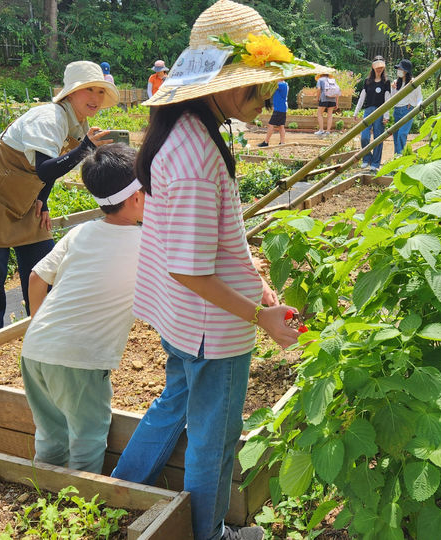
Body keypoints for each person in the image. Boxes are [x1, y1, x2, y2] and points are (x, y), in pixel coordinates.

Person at [108, 1, 332, 539]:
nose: (267, 98)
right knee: (214, 436)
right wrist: (262, 316)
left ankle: (119, 490)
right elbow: (191, 269)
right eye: (262, 87)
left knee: (174, 402)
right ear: (228, 86)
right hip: (214, 327)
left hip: (186, 319)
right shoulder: (193, 158)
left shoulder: (187, 129)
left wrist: (251, 270)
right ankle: (210, 534)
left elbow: (203, 243)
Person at [0, 60, 118, 338]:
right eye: (88, 90)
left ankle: (46, 332)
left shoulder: (78, 124)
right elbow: (45, 168)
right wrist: (86, 148)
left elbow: (49, 169)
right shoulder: (50, 118)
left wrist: (43, 201)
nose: (95, 98)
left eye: (100, 92)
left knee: (44, 261)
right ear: (70, 93)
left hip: (25, 195)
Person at [20, 143, 144, 474]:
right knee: (88, 435)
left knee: (51, 432)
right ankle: (79, 502)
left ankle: (46, 491)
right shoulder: (147, 243)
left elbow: (35, 278)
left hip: (35, 349)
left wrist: (38, 324)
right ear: (135, 197)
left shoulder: (80, 232)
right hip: (81, 358)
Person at [353, 56, 390, 172]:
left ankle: (375, 163)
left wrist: (386, 116)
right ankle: (366, 158)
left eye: (381, 67)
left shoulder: (386, 82)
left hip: (380, 111)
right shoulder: (367, 82)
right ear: (373, 67)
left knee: (378, 138)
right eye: (377, 67)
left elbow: (388, 99)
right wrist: (356, 112)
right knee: (364, 137)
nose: (379, 69)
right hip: (368, 111)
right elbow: (362, 97)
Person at [391, 58, 423, 155]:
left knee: (402, 134)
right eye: (399, 69)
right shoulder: (396, 82)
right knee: (396, 136)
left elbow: (419, 97)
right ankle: (397, 158)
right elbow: (392, 98)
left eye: (401, 69)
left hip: (407, 110)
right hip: (397, 110)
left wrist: (418, 108)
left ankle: (400, 158)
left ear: (406, 71)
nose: (399, 71)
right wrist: (392, 88)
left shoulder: (414, 82)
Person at [258, 81, 288, 147]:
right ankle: (282, 143)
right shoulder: (284, 84)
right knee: (281, 126)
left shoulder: (280, 84)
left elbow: (270, 85)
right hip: (282, 108)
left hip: (279, 109)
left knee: (270, 125)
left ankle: (266, 142)